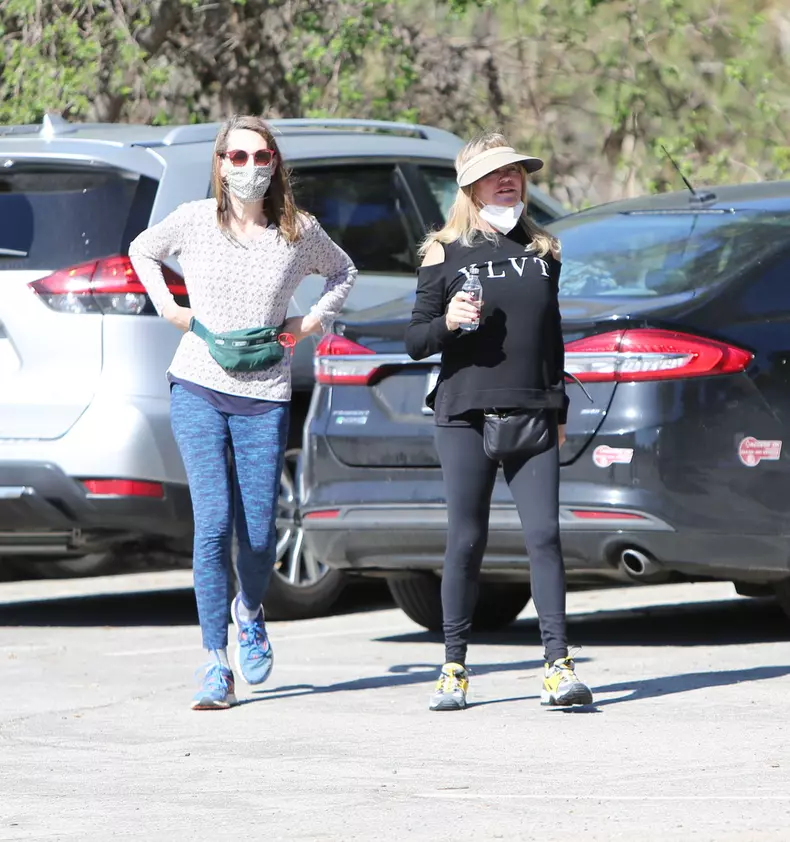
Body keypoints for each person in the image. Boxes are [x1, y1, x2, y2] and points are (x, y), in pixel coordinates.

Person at [129, 115, 357, 710]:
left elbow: (343, 271)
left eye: (260, 157)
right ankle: (214, 662)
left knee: (258, 535)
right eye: (237, 157)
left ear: (275, 163)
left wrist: (308, 324)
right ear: (220, 164)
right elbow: (141, 250)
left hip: (264, 394)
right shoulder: (193, 219)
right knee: (212, 526)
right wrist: (170, 309)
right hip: (198, 385)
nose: (249, 168)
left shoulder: (297, 230)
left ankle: (250, 610)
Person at [405, 130, 593, 711]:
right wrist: (450, 323)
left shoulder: (544, 251)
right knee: (465, 540)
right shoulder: (443, 251)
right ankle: (454, 668)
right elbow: (414, 341)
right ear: (469, 185)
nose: (507, 180)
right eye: (494, 174)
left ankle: (558, 667)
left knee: (544, 537)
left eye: (514, 172)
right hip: (463, 412)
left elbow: (551, 338)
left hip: (535, 409)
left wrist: (559, 405)